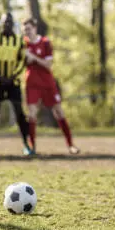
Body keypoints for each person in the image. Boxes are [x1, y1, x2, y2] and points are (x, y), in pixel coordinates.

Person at [23, 18, 79, 154]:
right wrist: (25, 59)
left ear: (35, 28)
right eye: (25, 30)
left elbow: (48, 64)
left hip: (47, 82)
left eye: (29, 29)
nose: (27, 32)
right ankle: (32, 146)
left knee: (58, 111)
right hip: (32, 83)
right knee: (31, 114)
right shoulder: (23, 44)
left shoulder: (45, 42)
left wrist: (34, 58)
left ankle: (70, 144)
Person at [0, 13, 32, 156]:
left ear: (13, 24)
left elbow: (22, 61)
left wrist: (12, 76)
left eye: (10, 22)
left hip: (13, 81)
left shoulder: (19, 41)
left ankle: (26, 144)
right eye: (5, 22)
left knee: (20, 112)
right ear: (1, 23)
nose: (7, 24)